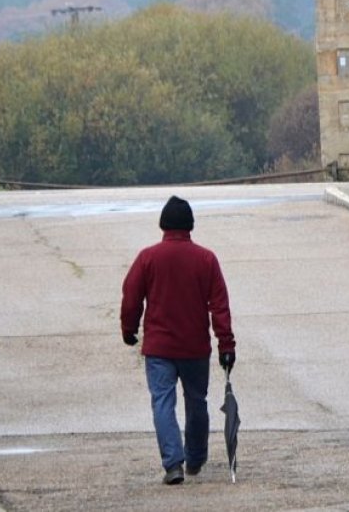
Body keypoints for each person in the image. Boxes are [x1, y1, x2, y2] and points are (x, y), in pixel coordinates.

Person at [121, 195, 236, 485]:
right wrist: (226, 344)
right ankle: (195, 458)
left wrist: (129, 328)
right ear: (190, 225)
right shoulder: (206, 259)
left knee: (162, 401)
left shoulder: (148, 258)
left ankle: (173, 464)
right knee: (196, 401)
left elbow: (131, 295)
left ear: (163, 224)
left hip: (159, 347)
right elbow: (219, 306)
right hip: (195, 347)